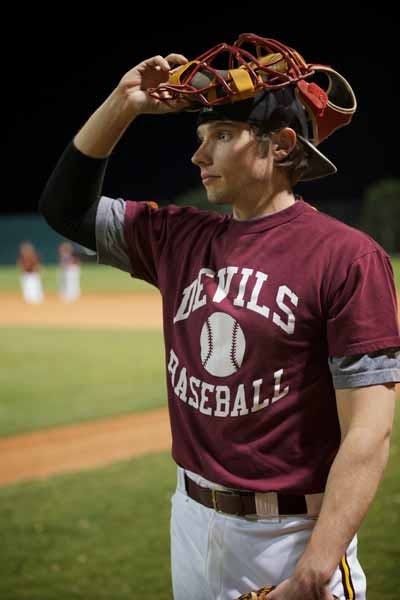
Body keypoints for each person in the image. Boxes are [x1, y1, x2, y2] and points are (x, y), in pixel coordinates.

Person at [39, 34, 400, 600]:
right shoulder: (177, 238)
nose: (198, 156)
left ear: (280, 147)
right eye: (201, 137)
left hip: (292, 533)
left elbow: (369, 432)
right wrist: (124, 102)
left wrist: (315, 569)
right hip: (192, 517)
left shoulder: (348, 257)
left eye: (223, 136)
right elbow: (64, 208)